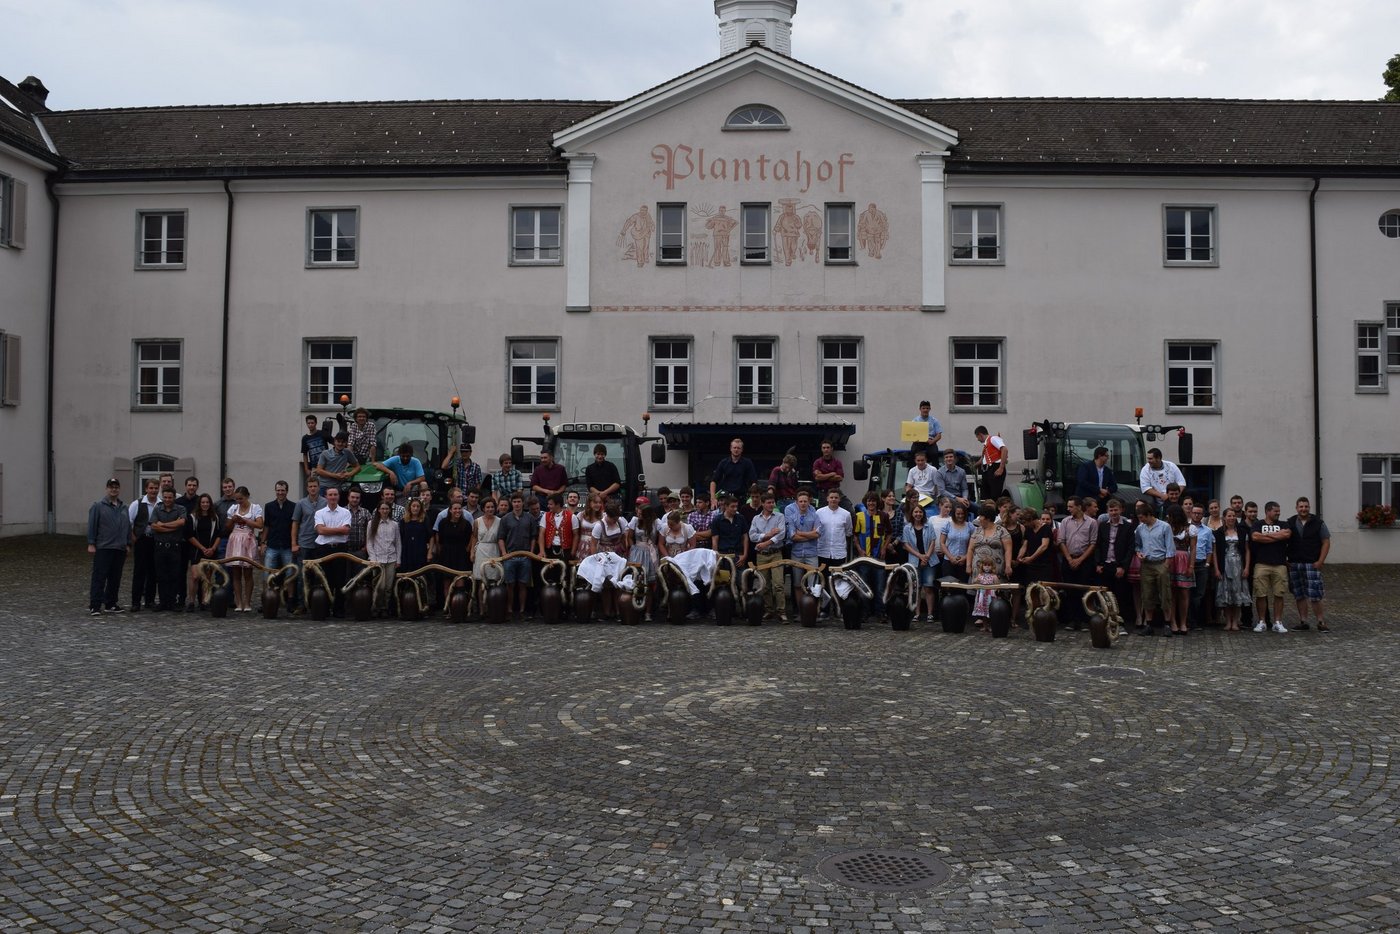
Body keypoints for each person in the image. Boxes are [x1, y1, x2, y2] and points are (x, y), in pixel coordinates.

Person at [87, 478, 132, 616]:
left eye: (116, 487)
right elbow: (92, 525)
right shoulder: (98, 506)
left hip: (119, 548)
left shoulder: (124, 507)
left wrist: (128, 543)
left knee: (115, 578)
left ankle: (110, 603)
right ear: (107, 489)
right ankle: (95, 605)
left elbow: (127, 527)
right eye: (111, 487)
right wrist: (91, 543)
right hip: (104, 547)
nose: (114, 489)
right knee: (99, 577)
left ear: (119, 489)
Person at [1286, 496, 1331, 632]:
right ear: (1296, 508)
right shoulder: (1290, 522)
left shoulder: (1318, 523)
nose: (1303, 509)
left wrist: (1321, 561)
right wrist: (1285, 560)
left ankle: (1321, 622)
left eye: (1306, 506)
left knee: (1315, 594)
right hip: (1295, 564)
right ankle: (1303, 621)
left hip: (1312, 563)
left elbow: (1326, 542)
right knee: (1299, 594)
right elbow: (1284, 541)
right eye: (1301, 507)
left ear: (1309, 507)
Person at [1250, 501, 1291, 634]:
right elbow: (1255, 537)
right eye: (1276, 511)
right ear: (1268, 511)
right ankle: (1261, 621)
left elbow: (1287, 534)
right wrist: (1277, 537)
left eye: (1279, 511)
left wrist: (1265, 537)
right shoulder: (1258, 524)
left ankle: (1277, 622)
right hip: (1261, 564)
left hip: (1279, 564)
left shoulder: (1284, 524)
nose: (1278, 513)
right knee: (1260, 594)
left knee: (1279, 593)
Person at [1134, 500, 1173, 635]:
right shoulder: (1140, 528)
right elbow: (1138, 544)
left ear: (1149, 514)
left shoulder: (1164, 527)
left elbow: (1170, 547)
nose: (1141, 520)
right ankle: (1149, 624)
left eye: (1142, 517)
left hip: (1161, 562)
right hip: (1147, 564)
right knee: (1147, 594)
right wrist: (1139, 553)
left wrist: (1166, 564)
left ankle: (1167, 624)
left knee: (1165, 593)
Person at [1056, 497, 1097, 628]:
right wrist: (1069, 559)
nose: (1068, 509)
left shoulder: (1091, 522)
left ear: (1079, 507)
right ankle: (1072, 619)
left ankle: (1084, 619)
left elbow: (1093, 543)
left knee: (1084, 590)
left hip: (1084, 560)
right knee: (1070, 590)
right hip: (1069, 559)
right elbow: (1061, 541)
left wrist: (1080, 559)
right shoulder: (1065, 521)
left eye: (1071, 506)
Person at [312, 486, 352, 617]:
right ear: (326, 497)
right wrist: (338, 530)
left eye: (335, 494)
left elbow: (346, 530)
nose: (333, 497)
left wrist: (327, 529)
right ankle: (325, 608)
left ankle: (338, 609)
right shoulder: (319, 513)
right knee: (324, 580)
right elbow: (320, 531)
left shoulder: (345, 512)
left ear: (339, 496)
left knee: (340, 580)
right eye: (330, 495)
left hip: (340, 549)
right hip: (324, 549)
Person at [499, 492, 540, 621]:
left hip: (525, 556)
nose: (517, 504)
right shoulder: (505, 519)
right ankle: (509, 610)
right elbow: (500, 538)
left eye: (519, 502)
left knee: (523, 584)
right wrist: (504, 553)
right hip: (510, 556)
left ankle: (522, 610)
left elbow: (534, 537)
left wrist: (531, 552)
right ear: (512, 503)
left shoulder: (529, 518)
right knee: (510, 584)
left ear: (523, 503)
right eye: (514, 502)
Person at [1095, 497, 1135, 628]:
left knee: (1120, 595)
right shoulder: (1102, 526)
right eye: (1111, 510)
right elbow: (1098, 545)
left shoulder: (1128, 527)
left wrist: (1123, 566)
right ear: (1107, 511)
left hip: (1119, 565)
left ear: (1121, 510)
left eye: (1115, 510)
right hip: (1105, 564)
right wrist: (1099, 563)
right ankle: (1106, 620)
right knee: (1105, 595)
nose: (1113, 513)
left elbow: (1130, 548)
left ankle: (1119, 622)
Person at [289, 476, 326, 615]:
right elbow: (295, 523)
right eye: (310, 486)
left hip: (320, 544)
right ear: (307, 488)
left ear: (318, 486)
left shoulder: (325, 502)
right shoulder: (301, 503)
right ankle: (301, 604)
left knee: (319, 576)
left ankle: (317, 603)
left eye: (315, 486)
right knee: (302, 577)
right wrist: (294, 543)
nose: (312, 488)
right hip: (304, 543)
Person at [223, 485, 263, 613]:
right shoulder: (233, 508)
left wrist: (245, 520)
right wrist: (233, 520)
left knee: (248, 572)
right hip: (235, 539)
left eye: (241, 499)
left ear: (246, 496)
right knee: (235, 573)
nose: (238, 501)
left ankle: (247, 602)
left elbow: (259, 525)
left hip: (248, 539)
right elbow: (227, 527)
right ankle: (238, 601)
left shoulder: (255, 508)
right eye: (237, 499)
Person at [748, 492, 787, 621]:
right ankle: (768, 610)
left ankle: (781, 611)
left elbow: (781, 534)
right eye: (769, 503)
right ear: (763, 504)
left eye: (773, 502)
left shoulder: (780, 516)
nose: (771, 505)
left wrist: (765, 542)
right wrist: (769, 534)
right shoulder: (756, 519)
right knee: (764, 585)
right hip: (761, 555)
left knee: (778, 584)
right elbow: (752, 536)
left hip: (776, 553)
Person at [149, 487, 188, 612]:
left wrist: (163, 525)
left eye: (170, 497)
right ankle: (163, 602)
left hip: (175, 547)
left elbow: (181, 523)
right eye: (165, 497)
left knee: (174, 575)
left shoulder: (181, 509)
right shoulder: (157, 508)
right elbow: (154, 526)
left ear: (174, 498)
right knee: (161, 576)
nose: (167, 499)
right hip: (160, 547)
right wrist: (172, 526)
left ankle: (172, 602)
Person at [1212, 507, 1252, 632]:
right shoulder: (1218, 532)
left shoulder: (1241, 532)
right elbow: (1214, 552)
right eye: (1229, 516)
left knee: (1237, 593)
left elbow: (1247, 551)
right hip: (1225, 564)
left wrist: (1246, 567)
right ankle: (1228, 621)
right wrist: (1217, 569)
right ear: (1224, 518)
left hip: (1238, 564)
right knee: (1226, 594)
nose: (1231, 518)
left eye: (1233, 515)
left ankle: (1235, 621)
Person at [260, 480, 296, 607]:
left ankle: (290, 600)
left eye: (283, 490)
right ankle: (266, 599)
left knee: (290, 574)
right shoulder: (269, 506)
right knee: (267, 573)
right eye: (278, 490)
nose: (280, 493)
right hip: (272, 545)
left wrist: (294, 544)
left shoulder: (293, 506)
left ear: (287, 491)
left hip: (287, 545)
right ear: (275, 491)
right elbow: (267, 526)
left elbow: (294, 527)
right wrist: (263, 542)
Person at [127, 478, 160, 612]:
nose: (153, 490)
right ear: (146, 489)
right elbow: (128, 522)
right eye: (151, 488)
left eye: (156, 488)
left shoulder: (161, 504)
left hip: (156, 541)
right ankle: (136, 602)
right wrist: (133, 538)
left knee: (153, 572)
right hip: (141, 540)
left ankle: (150, 600)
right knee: (139, 572)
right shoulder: (137, 503)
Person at [431, 501, 472, 609]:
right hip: (447, 554)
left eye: (459, 509)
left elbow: (470, 539)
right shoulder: (443, 522)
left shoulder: (466, 524)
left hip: (461, 555)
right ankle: (448, 607)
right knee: (447, 583)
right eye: (455, 509)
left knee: (460, 582)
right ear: (450, 510)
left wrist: (467, 551)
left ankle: (459, 607)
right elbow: (439, 539)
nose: (457, 511)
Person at [184, 493, 221, 611]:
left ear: (210, 504)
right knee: (195, 576)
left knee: (207, 577)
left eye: (207, 502)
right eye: (203, 502)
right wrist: (202, 548)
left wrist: (213, 548)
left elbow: (219, 534)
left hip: (210, 551)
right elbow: (189, 535)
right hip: (196, 551)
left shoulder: (215, 517)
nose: (205, 504)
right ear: (199, 504)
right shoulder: (193, 517)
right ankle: (191, 601)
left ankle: (205, 601)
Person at [852, 491, 886, 616]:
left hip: (878, 558)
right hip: (864, 558)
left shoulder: (883, 516)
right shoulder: (859, 516)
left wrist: (884, 548)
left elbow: (889, 534)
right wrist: (859, 549)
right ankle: (865, 612)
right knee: (864, 586)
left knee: (880, 587)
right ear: (866, 502)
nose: (871, 503)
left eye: (873, 501)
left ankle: (880, 612)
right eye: (869, 501)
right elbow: (855, 535)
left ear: (877, 502)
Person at [967, 504, 1013, 593]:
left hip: (995, 570)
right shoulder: (977, 531)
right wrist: (968, 565)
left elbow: (1008, 550)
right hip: (978, 570)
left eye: (981, 516)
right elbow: (970, 549)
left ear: (987, 518)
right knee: (979, 596)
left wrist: (1008, 566)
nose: (979, 518)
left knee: (995, 595)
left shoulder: (1001, 531)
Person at [903, 504, 937, 621]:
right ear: (912, 514)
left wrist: (926, 556)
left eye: (920, 512)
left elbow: (933, 541)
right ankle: (917, 614)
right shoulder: (907, 528)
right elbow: (906, 545)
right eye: (916, 512)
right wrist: (920, 556)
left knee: (928, 587)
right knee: (916, 588)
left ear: (923, 513)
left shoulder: (929, 525)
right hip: (914, 561)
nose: (918, 514)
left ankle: (930, 614)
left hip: (929, 560)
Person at [365, 500, 400, 617]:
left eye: (387, 509)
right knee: (380, 586)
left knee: (389, 587)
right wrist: (373, 558)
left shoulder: (394, 525)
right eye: (382, 509)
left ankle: (385, 607)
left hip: (391, 558)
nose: (384, 511)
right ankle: (376, 607)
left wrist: (398, 559)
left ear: (389, 510)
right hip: (378, 559)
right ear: (378, 510)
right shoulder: (372, 523)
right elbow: (369, 542)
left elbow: (398, 542)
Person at [1166, 505, 1195, 635]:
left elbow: (1193, 549)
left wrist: (1191, 566)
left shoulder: (1190, 528)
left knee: (1184, 593)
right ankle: (1173, 622)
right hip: (1170, 559)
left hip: (1184, 559)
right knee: (1171, 593)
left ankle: (1183, 622)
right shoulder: (1167, 527)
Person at [174, 476, 201, 608]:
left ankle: (201, 599)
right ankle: (181, 598)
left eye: (194, 485)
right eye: (189, 485)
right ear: (185, 486)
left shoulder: (201, 501)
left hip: (197, 542)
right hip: (181, 541)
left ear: (197, 487)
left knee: (198, 572)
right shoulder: (178, 502)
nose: (192, 487)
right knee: (180, 571)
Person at [1188, 504, 1214, 628]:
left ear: (1203, 515)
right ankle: (1187, 620)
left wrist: (1208, 564)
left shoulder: (1207, 531)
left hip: (1202, 564)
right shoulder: (1185, 528)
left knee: (1199, 594)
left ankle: (1196, 621)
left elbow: (1209, 549)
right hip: (1187, 564)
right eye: (1195, 513)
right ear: (1191, 513)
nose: (1197, 515)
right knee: (1187, 593)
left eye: (1199, 513)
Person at [1139, 448, 1186, 514]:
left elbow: (1182, 483)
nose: (1148, 461)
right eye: (1148, 458)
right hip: (1159, 504)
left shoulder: (1171, 466)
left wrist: (1175, 495)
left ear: (1158, 458)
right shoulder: (1145, 470)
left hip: (1176, 503)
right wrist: (1162, 496)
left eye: (1150, 459)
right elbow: (1145, 488)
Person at [815, 489, 852, 572]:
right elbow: (816, 530)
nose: (833, 499)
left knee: (838, 578)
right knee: (822, 577)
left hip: (839, 552)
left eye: (836, 497)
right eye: (831, 497)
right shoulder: (819, 512)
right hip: (822, 551)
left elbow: (848, 531)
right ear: (827, 498)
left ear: (839, 499)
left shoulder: (846, 514)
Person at [710, 438, 757, 504]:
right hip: (726, 499)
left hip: (742, 499)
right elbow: (713, 481)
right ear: (730, 448)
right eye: (734, 447)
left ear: (742, 450)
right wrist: (713, 498)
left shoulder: (748, 463)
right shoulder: (723, 462)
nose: (736, 450)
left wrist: (752, 498)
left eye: (738, 448)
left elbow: (754, 482)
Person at [711, 494, 750, 568]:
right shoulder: (717, 520)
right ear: (726, 506)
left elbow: (745, 538)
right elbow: (715, 540)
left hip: (738, 555)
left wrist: (745, 555)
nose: (735, 509)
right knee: (723, 579)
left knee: (740, 578)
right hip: (723, 555)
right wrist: (716, 557)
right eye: (732, 506)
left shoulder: (741, 518)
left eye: (736, 506)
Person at [398, 498, 431, 581]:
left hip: (420, 551)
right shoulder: (403, 521)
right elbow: (400, 538)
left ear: (420, 508)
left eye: (418, 506)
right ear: (409, 507)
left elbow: (431, 537)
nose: (415, 508)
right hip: (407, 552)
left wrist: (429, 553)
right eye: (413, 506)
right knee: (407, 577)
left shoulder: (425, 520)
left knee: (420, 576)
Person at [940, 503, 972, 584]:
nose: (960, 516)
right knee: (949, 587)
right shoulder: (948, 525)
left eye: (962, 514)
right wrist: (951, 557)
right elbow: (942, 543)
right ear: (954, 514)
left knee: (962, 587)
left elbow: (973, 545)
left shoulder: (970, 526)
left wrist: (965, 557)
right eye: (958, 514)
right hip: (948, 561)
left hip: (964, 562)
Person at [974, 426, 1007, 501]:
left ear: (980, 435)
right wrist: (974, 466)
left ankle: (995, 511)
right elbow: (983, 459)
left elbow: (1004, 450)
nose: (977, 439)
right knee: (985, 495)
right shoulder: (986, 445)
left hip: (995, 467)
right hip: (988, 470)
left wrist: (1001, 468)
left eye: (977, 437)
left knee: (995, 495)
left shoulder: (993, 438)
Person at [970, 557, 1000, 631]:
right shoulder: (980, 575)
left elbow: (998, 585)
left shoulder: (994, 576)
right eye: (985, 565)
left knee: (990, 611)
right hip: (982, 596)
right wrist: (976, 580)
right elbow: (973, 582)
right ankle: (985, 626)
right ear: (982, 566)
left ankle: (991, 626)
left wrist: (996, 591)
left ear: (992, 566)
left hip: (990, 595)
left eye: (989, 565)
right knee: (983, 612)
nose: (987, 567)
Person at [301, 414, 328, 481]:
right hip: (314, 467)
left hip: (326, 465)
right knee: (314, 486)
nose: (310, 425)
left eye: (312, 423)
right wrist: (306, 469)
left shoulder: (322, 433)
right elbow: (305, 454)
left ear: (316, 423)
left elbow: (334, 442)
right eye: (308, 423)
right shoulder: (305, 438)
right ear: (306, 424)